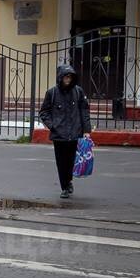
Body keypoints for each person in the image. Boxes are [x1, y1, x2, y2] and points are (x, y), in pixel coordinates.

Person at [38, 64, 92, 199]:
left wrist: (86, 130)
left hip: (75, 133)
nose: (68, 79)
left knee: (71, 161)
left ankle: (69, 181)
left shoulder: (78, 92)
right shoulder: (52, 93)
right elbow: (44, 112)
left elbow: (84, 111)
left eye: (70, 77)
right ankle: (65, 187)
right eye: (65, 77)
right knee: (61, 162)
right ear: (60, 77)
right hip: (59, 135)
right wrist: (53, 125)